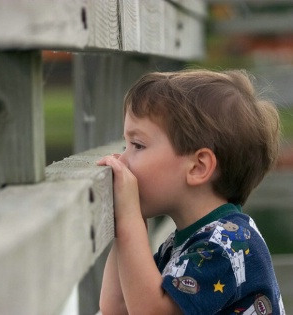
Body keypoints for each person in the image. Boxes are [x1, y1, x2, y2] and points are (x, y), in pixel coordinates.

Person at [97, 69, 285, 314]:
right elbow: (117, 307)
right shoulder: (182, 243)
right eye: (125, 145)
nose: (122, 159)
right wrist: (131, 220)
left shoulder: (227, 245)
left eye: (137, 145)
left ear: (198, 167)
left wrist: (129, 217)